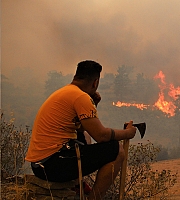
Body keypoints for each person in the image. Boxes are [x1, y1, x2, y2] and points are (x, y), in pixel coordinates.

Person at [25, 60, 136, 200]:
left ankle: (78, 185)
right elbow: (101, 135)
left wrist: (93, 105)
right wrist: (127, 133)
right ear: (95, 82)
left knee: (84, 135)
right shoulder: (80, 97)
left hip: (39, 165)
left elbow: (84, 128)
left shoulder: (67, 91)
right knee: (117, 150)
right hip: (51, 165)